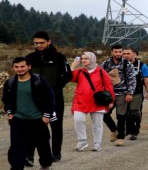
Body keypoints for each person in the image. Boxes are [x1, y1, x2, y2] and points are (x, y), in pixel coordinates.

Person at [26, 31, 72, 163]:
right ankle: (29, 155)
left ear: (49, 42)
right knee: (34, 126)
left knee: (56, 126)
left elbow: (68, 75)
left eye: (42, 43)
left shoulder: (59, 57)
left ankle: (56, 153)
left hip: (55, 98)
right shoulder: (30, 58)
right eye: (36, 43)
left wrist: (56, 87)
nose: (39, 45)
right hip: (34, 99)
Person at [2, 57, 55, 170]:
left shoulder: (39, 81)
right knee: (16, 146)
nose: (19, 69)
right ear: (13, 67)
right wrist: (10, 113)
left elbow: (49, 99)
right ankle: (17, 167)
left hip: (38, 119)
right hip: (18, 119)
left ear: (29, 67)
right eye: (16, 67)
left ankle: (45, 165)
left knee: (43, 145)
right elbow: (6, 100)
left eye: (22, 66)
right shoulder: (10, 83)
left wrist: (46, 116)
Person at [70, 52, 114, 152]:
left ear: (93, 59)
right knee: (78, 120)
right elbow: (70, 78)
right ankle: (82, 140)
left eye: (86, 58)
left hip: (97, 102)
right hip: (81, 100)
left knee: (97, 124)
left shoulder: (101, 72)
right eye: (82, 58)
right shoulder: (80, 71)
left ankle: (97, 144)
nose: (83, 60)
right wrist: (72, 67)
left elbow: (109, 87)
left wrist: (111, 100)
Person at [101, 44, 136, 146]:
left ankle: (120, 137)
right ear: (112, 52)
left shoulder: (127, 64)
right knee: (104, 114)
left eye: (120, 52)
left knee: (121, 116)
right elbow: (100, 77)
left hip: (122, 93)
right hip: (108, 94)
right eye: (116, 52)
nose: (118, 54)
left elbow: (132, 79)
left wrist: (130, 93)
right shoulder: (105, 64)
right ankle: (113, 129)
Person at [123, 47, 148, 140]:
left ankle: (135, 130)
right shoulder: (120, 64)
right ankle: (127, 129)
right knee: (125, 113)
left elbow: (147, 79)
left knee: (134, 112)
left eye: (128, 53)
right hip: (123, 92)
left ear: (135, 54)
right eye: (125, 54)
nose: (126, 55)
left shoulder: (142, 65)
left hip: (137, 93)